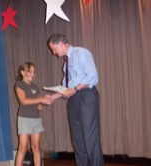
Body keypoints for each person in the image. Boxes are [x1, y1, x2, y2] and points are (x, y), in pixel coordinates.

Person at [47, 34, 104, 166]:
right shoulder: (66, 63)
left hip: (86, 96)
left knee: (90, 138)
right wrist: (53, 97)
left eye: (54, 49)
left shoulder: (80, 53)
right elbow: (66, 87)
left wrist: (75, 90)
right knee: (77, 140)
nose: (54, 53)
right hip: (73, 99)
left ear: (61, 43)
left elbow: (92, 75)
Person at [14, 62, 51, 166]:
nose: (32, 74)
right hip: (24, 119)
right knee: (23, 148)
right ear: (22, 72)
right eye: (29, 72)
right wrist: (40, 99)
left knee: (36, 148)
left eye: (33, 72)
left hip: (36, 119)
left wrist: (41, 103)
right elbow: (24, 101)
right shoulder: (19, 84)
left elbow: (38, 104)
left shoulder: (35, 86)